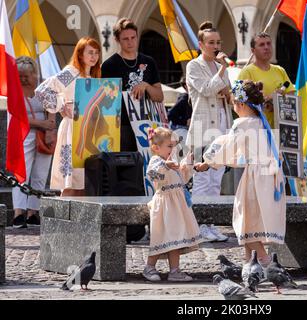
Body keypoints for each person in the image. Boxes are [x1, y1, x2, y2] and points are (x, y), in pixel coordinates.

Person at [195, 80, 286, 265]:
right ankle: (249, 265)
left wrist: (208, 162)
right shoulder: (261, 123)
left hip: (257, 178)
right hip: (271, 176)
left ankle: (266, 261)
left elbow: (228, 145)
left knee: (245, 222)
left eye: (234, 103)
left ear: (241, 104)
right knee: (252, 219)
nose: (233, 107)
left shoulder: (242, 124)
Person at [35, 37, 102, 197]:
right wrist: (61, 105)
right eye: (90, 52)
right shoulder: (70, 73)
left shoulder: (94, 77)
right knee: (70, 180)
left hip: (90, 130)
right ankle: (63, 218)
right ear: (80, 54)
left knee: (85, 181)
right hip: (72, 128)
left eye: (96, 53)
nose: (94, 56)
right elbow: (42, 90)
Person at [143, 127, 203, 282]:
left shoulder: (171, 162)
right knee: (161, 236)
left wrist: (187, 165)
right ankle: (149, 267)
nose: (172, 149)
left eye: (173, 146)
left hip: (176, 204)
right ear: (156, 148)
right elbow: (152, 175)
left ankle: (175, 271)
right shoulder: (157, 161)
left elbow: (182, 179)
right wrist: (166, 166)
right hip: (164, 204)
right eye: (169, 146)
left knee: (175, 236)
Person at [101, 18, 164, 152]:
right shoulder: (109, 66)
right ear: (117, 40)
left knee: (147, 169)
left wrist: (146, 85)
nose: (130, 42)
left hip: (148, 125)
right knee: (125, 168)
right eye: (125, 39)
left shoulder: (149, 62)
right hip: (122, 128)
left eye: (133, 37)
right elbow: (106, 103)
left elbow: (159, 97)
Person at [186, 21, 233, 196]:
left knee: (216, 178)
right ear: (201, 45)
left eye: (218, 42)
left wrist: (229, 93)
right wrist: (221, 70)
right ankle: (199, 223)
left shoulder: (222, 68)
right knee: (202, 178)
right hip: (203, 126)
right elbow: (206, 89)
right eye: (211, 42)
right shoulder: (194, 66)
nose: (216, 46)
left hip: (222, 121)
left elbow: (226, 94)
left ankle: (211, 222)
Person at [11, 57, 56, 228]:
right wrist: (41, 124)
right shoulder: (14, 91)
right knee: (21, 173)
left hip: (44, 137)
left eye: (26, 75)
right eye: (20, 75)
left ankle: (33, 212)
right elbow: (17, 116)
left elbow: (52, 109)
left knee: (40, 174)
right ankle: (18, 212)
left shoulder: (44, 87)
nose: (23, 79)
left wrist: (50, 129)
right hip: (23, 135)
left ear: (34, 74)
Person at [238, 32, 295, 128]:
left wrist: (278, 102)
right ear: (253, 50)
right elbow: (238, 101)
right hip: (257, 130)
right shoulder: (246, 72)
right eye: (261, 45)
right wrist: (267, 99)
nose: (266, 47)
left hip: (281, 129)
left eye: (269, 43)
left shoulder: (280, 70)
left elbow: (292, 95)